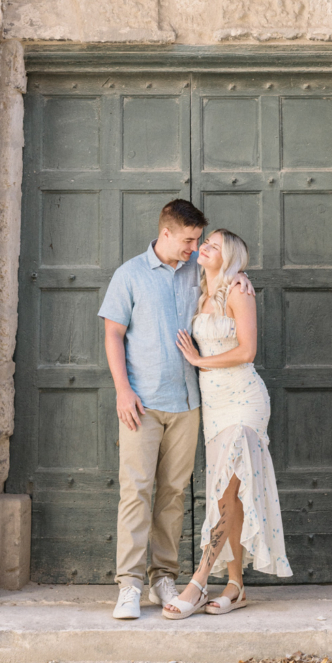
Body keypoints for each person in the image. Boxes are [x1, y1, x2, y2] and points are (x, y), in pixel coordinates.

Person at [99, 199, 251, 620]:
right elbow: (113, 336)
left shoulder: (198, 274)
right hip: (142, 404)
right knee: (136, 491)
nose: (194, 247)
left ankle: (162, 575)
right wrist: (122, 391)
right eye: (188, 239)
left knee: (173, 495)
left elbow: (228, 289)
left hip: (189, 403)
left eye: (199, 239)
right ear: (165, 233)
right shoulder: (129, 275)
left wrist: (242, 282)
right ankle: (128, 585)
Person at [162, 227, 291, 618]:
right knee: (228, 496)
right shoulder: (201, 291)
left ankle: (198, 582)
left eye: (213, 246)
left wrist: (199, 361)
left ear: (230, 257)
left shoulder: (238, 289)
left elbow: (247, 350)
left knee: (225, 492)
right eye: (204, 244)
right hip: (215, 407)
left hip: (244, 402)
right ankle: (236, 587)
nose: (203, 248)